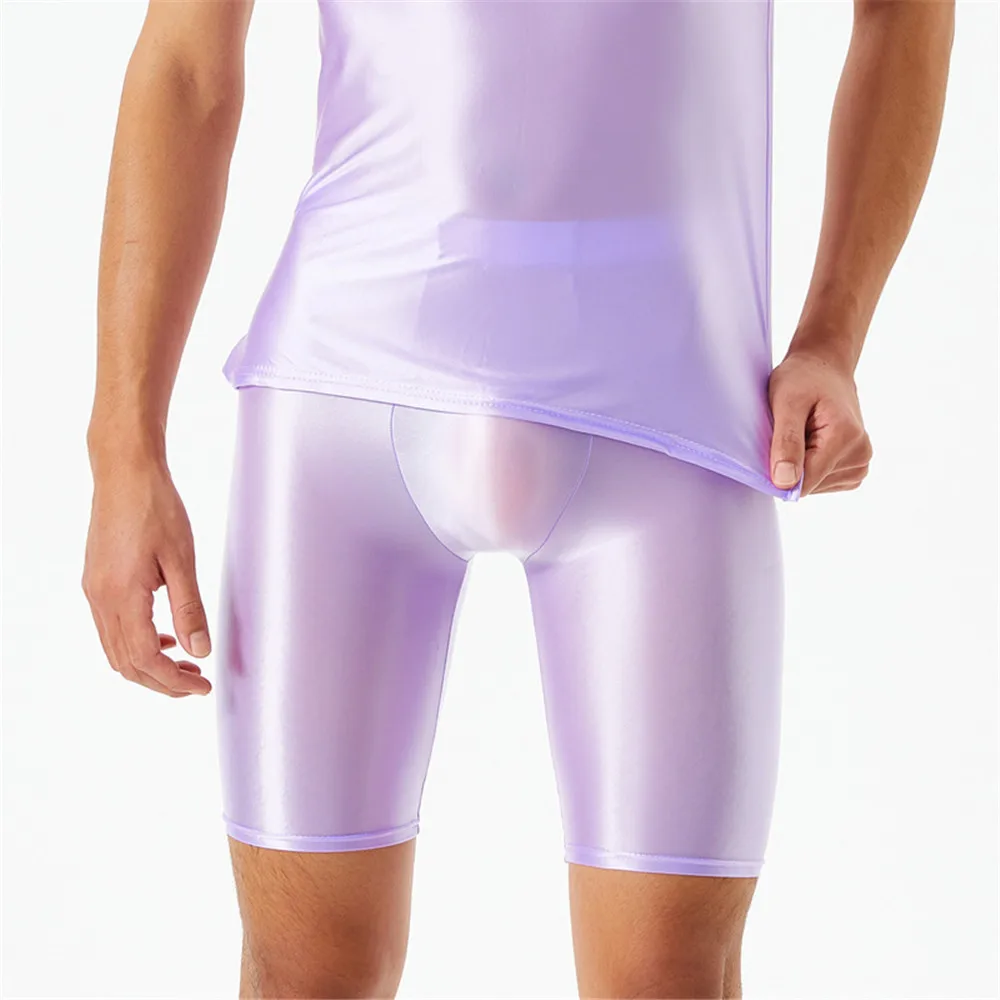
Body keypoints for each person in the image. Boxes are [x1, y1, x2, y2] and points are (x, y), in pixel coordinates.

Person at [82, 1, 954, 997]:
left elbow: (907, 14)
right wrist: (123, 449)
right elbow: (189, 64)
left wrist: (833, 335)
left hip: (670, 412)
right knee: (300, 974)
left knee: (667, 978)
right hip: (342, 398)